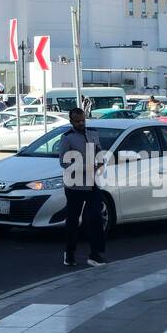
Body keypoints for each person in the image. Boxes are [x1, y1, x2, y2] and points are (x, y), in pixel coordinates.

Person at [57, 109, 107, 267]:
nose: (81, 123)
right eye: (77, 121)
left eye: (82, 120)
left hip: (91, 184)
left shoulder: (92, 133)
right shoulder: (67, 138)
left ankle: (95, 254)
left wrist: (100, 160)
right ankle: (69, 254)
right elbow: (64, 162)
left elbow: (99, 149)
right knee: (72, 221)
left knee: (96, 218)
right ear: (71, 122)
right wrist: (85, 167)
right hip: (74, 186)